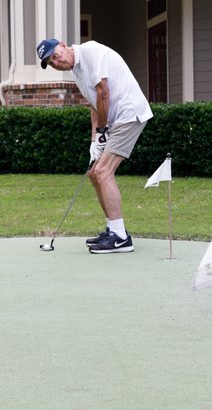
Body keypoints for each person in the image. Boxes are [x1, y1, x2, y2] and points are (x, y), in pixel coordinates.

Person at [36, 38, 153, 254]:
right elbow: (94, 105)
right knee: (93, 173)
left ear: (63, 45)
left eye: (55, 55)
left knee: (103, 171)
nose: (56, 61)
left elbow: (104, 92)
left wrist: (102, 130)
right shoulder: (76, 73)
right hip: (114, 120)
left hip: (129, 113)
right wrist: (94, 141)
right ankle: (113, 230)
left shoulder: (91, 51)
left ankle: (120, 238)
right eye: (50, 62)